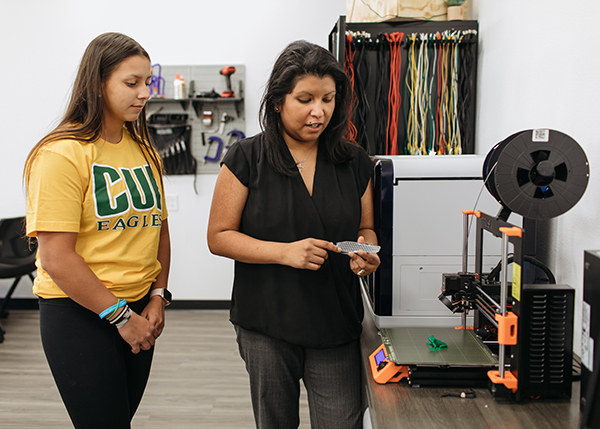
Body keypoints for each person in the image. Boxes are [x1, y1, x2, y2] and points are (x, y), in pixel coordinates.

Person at [207, 40, 380, 429]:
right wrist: (284, 253)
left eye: (328, 99)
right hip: (267, 323)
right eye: (305, 99)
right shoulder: (246, 159)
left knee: (342, 421)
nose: (318, 111)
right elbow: (218, 236)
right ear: (278, 101)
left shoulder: (355, 162)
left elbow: (364, 229)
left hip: (335, 321)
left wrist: (365, 251)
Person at [23, 32, 171, 429]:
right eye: (131, 83)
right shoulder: (61, 154)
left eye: (147, 82)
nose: (144, 93)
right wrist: (122, 318)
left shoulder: (144, 150)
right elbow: (56, 257)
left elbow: (158, 229)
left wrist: (157, 297)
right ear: (97, 83)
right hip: (81, 314)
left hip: (140, 307)